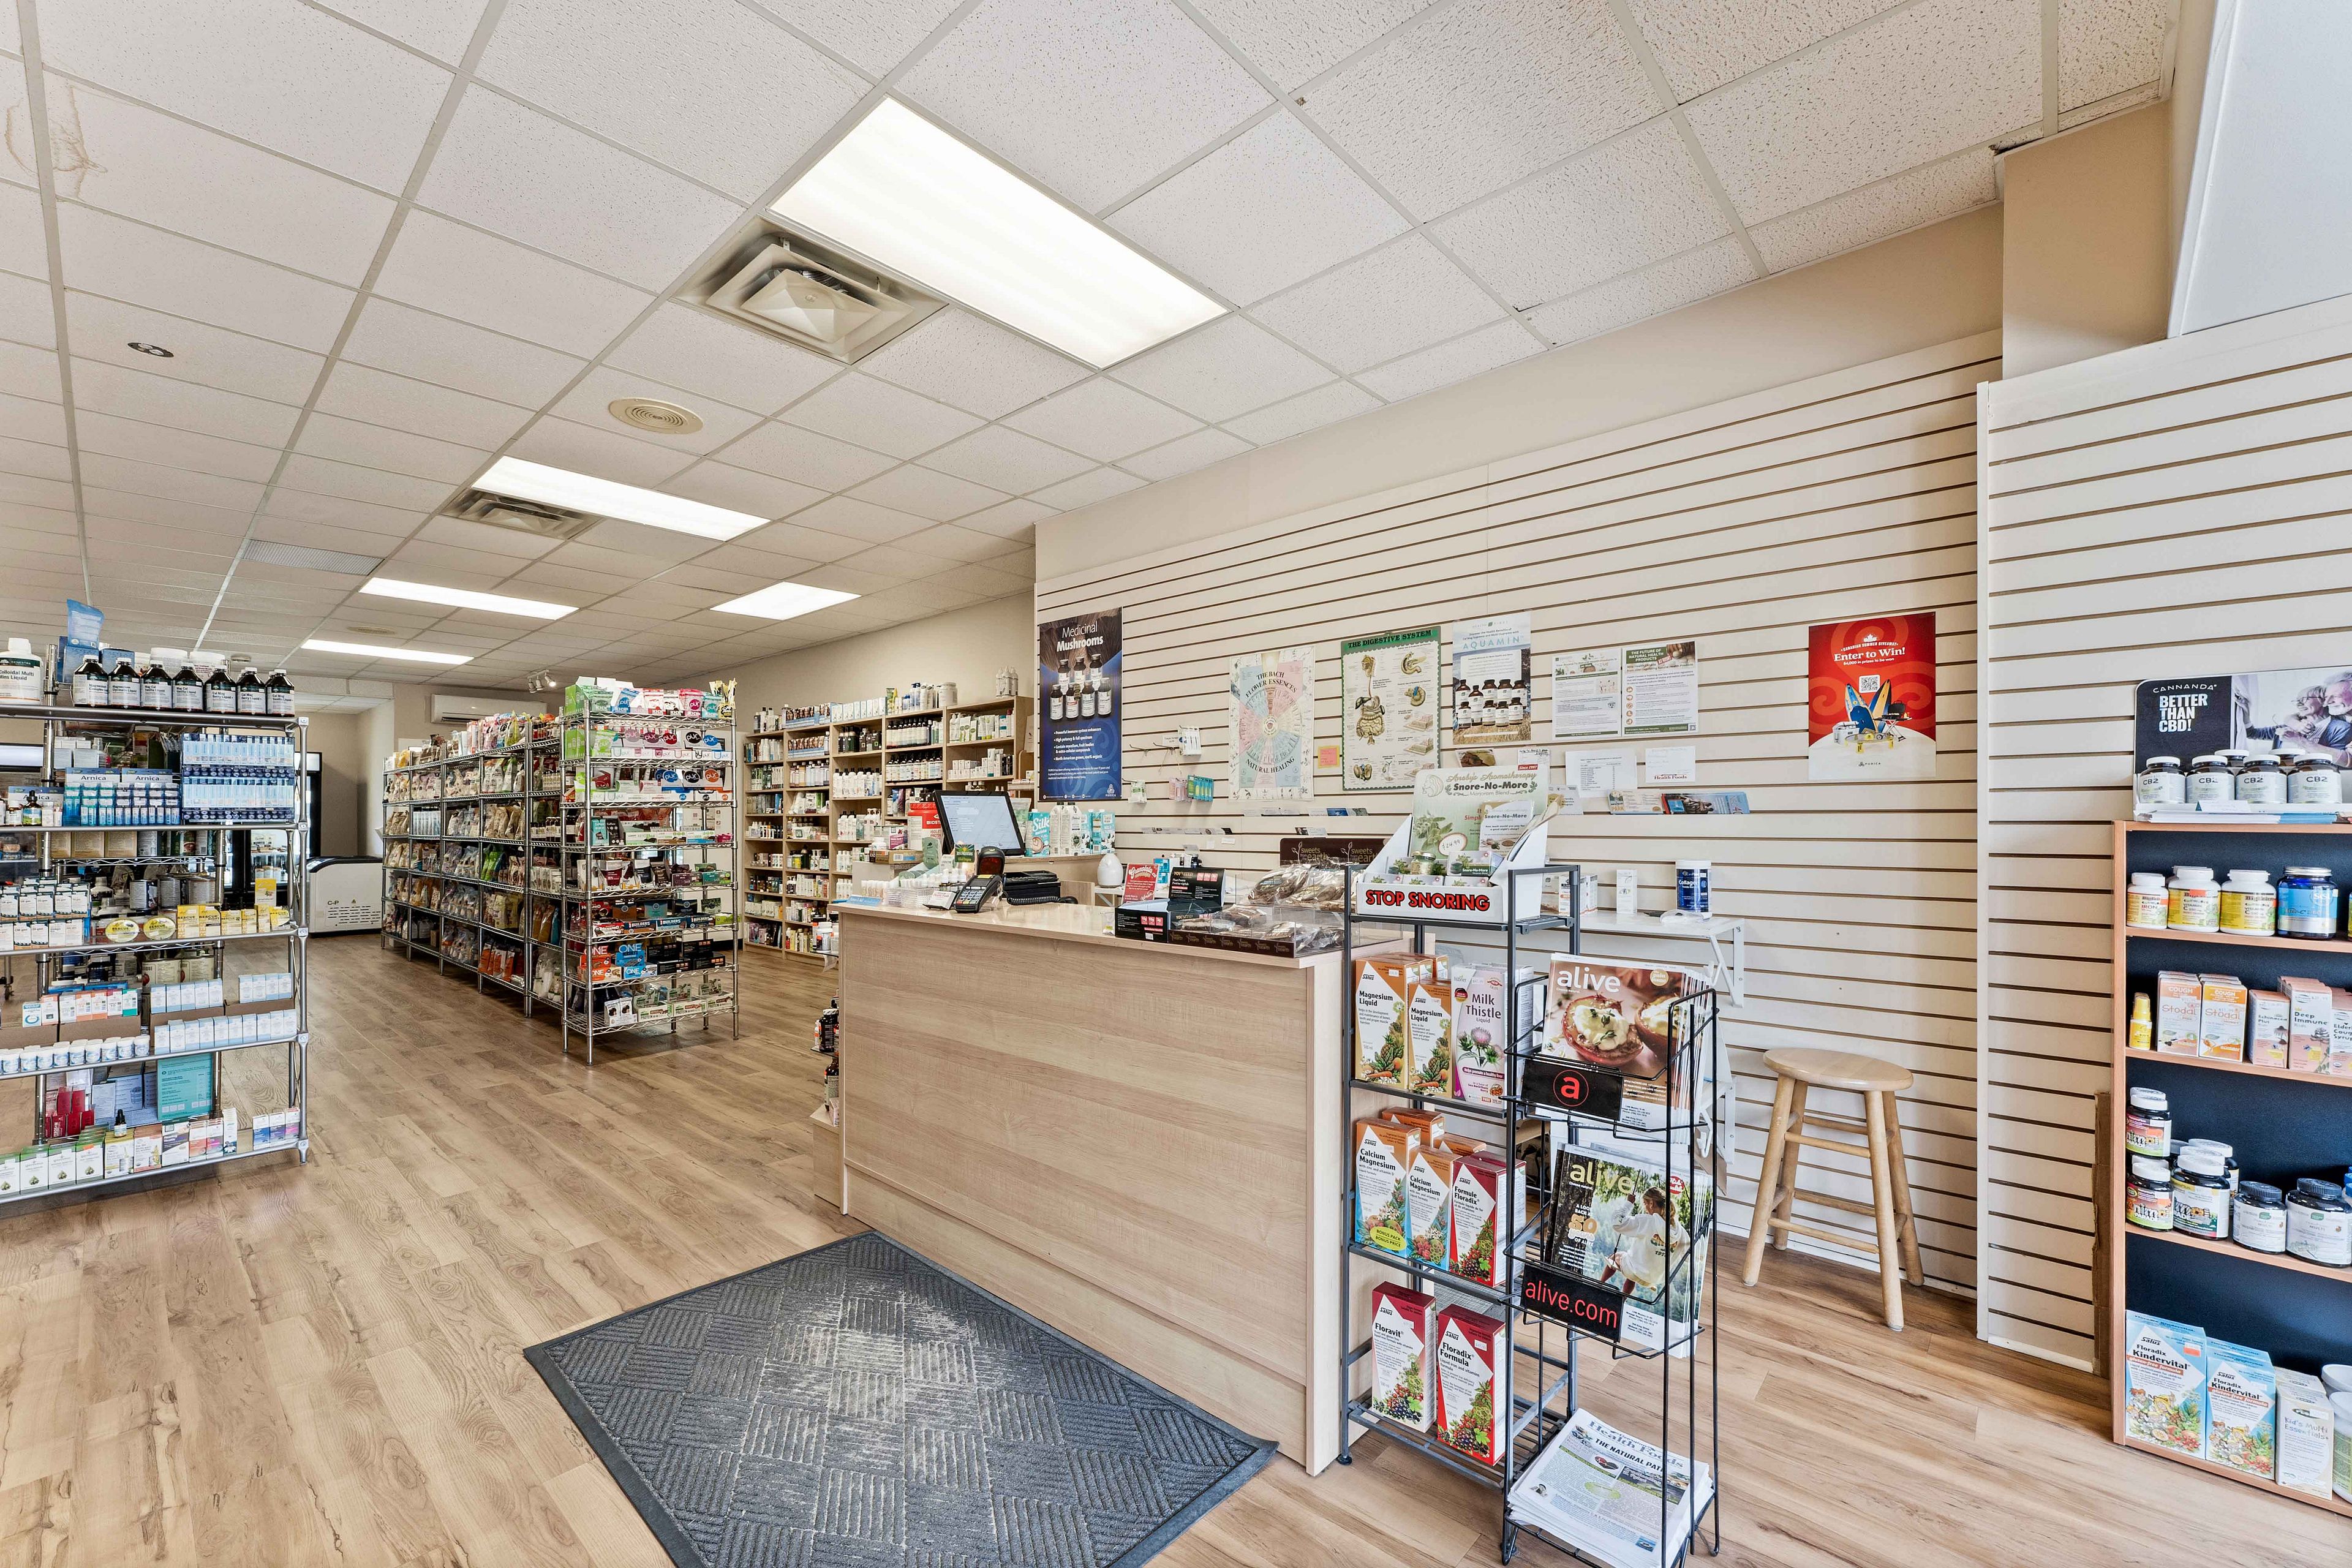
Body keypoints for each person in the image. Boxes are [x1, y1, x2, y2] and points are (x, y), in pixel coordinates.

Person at [1600, 1185, 1689, 1306]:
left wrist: (1628, 1204)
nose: (1645, 1208)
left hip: (1634, 1270)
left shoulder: (1647, 1221)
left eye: (1645, 1204)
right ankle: (1621, 1302)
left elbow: (1617, 1224)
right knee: (1633, 1269)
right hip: (1654, 1280)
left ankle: (1599, 1285)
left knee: (1617, 1256)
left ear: (1651, 1203)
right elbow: (1688, 1257)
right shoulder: (1681, 1232)